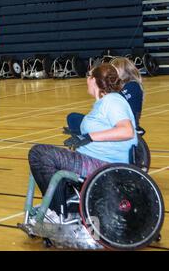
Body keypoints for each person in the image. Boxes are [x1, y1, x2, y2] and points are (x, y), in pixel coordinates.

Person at [28, 63, 137, 220]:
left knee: (39, 153)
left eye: (88, 76)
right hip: (95, 160)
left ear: (94, 80)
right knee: (47, 158)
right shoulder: (103, 103)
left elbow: (126, 130)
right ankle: (64, 204)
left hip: (103, 165)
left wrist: (89, 136)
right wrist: (79, 133)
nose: (86, 80)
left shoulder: (112, 101)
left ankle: (57, 211)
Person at [66, 57, 144, 135]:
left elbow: (115, 102)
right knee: (74, 118)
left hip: (121, 124)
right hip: (114, 122)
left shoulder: (133, 85)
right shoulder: (125, 87)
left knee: (73, 118)